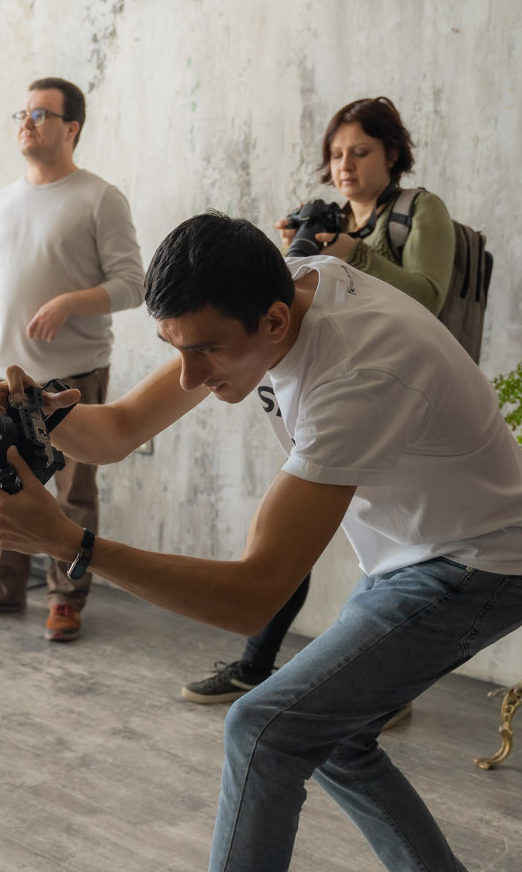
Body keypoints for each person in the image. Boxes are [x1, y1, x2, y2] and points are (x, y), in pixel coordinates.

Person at [0, 213, 522, 872]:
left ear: (276, 325)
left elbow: (254, 594)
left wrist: (75, 545)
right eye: (178, 350)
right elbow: (122, 426)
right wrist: (40, 427)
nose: (194, 377)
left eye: (208, 354)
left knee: (266, 726)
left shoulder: (359, 369)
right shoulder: (273, 295)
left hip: (479, 562)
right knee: (337, 735)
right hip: (418, 553)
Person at [183, 96, 456, 708]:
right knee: (296, 537)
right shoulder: (333, 225)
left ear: (392, 153)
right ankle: (263, 664)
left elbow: (429, 298)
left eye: (359, 152)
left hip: (401, 401)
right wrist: (295, 258)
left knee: (394, 544)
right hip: (329, 397)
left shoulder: (420, 211)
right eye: (335, 154)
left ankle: (374, 689)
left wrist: (347, 253)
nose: (345, 165)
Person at [0, 77, 145, 642]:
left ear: (71, 127)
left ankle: (66, 596)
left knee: (72, 490)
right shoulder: (2, 202)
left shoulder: (100, 198)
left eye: (41, 113)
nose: (26, 122)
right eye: (22, 113)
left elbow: (134, 284)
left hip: (73, 374)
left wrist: (69, 302)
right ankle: (1, 585)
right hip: (1, 372)